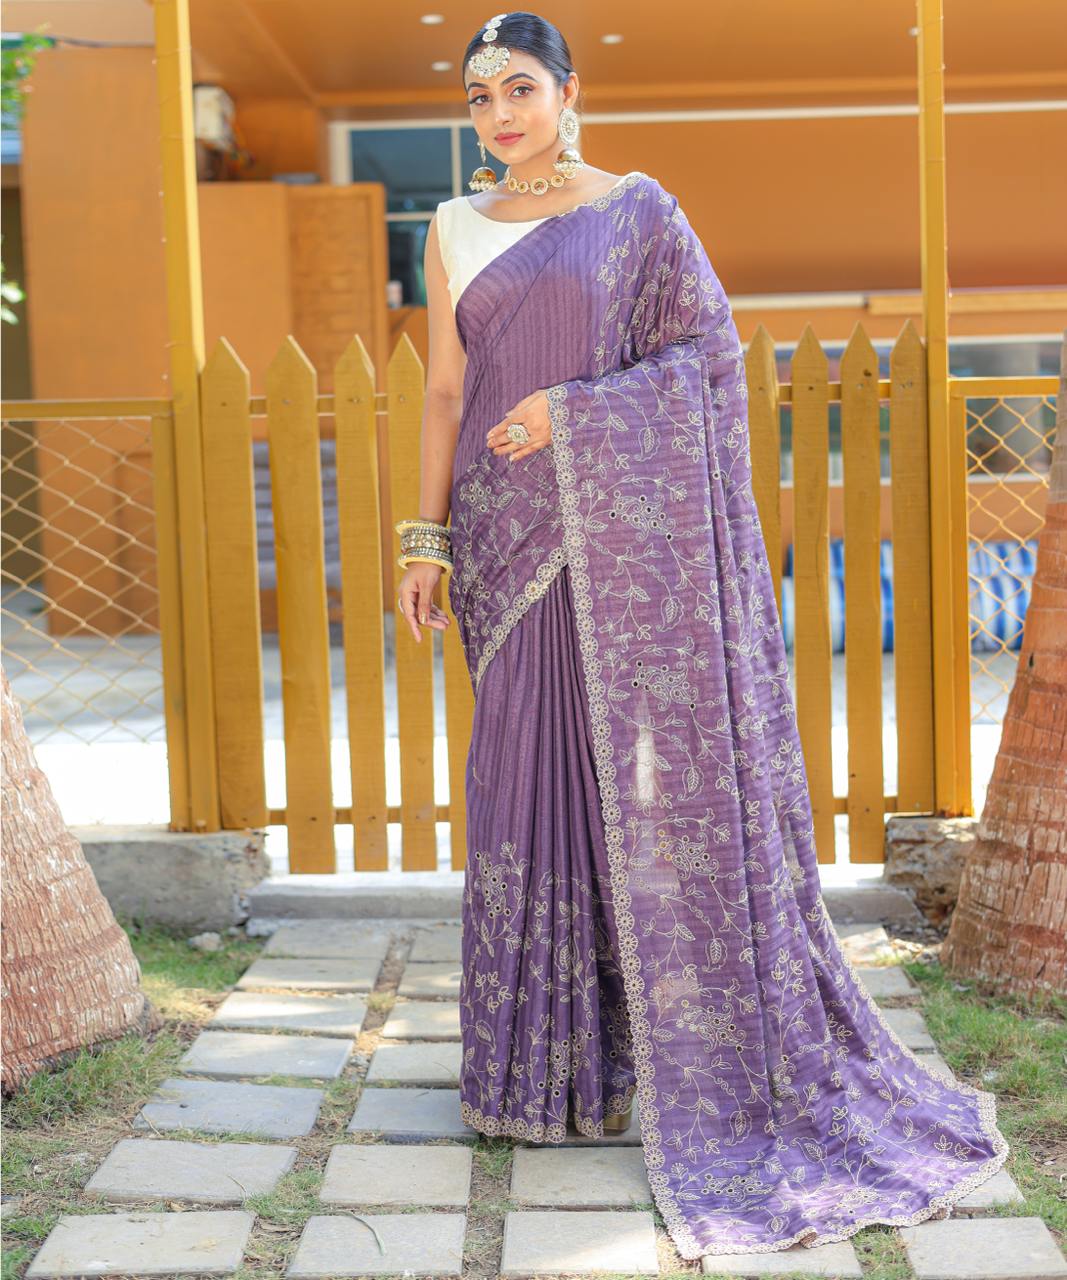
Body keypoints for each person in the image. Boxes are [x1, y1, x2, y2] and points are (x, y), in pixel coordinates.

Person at [394, 10, 1009, 1261]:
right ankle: (534, 1071)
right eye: (479, 97)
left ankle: (633, 1054)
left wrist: (571, 413)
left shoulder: (637, 214)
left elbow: (708, 364)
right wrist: (424, 538)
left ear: (568, 90)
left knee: (627, 787)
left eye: (520, 88)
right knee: (520, 780)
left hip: (615, 536)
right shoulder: (450, 227)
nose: (500, 114)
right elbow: (445, 391)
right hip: (505, 541)